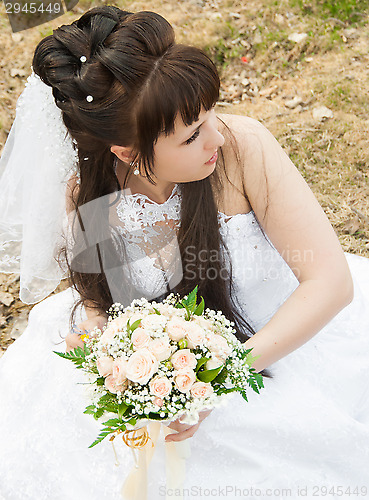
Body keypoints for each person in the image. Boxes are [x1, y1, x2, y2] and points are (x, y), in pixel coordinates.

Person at [0, 5, 368, 500]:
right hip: (168, 369)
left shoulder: (243, 149)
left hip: (277, 340)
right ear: (127, 153)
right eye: (192, 134)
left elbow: (330, 282)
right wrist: (104, 343)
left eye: (211, 113)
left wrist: (216, 379)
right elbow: (98, 297)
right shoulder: (86, 193)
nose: (216, 135)